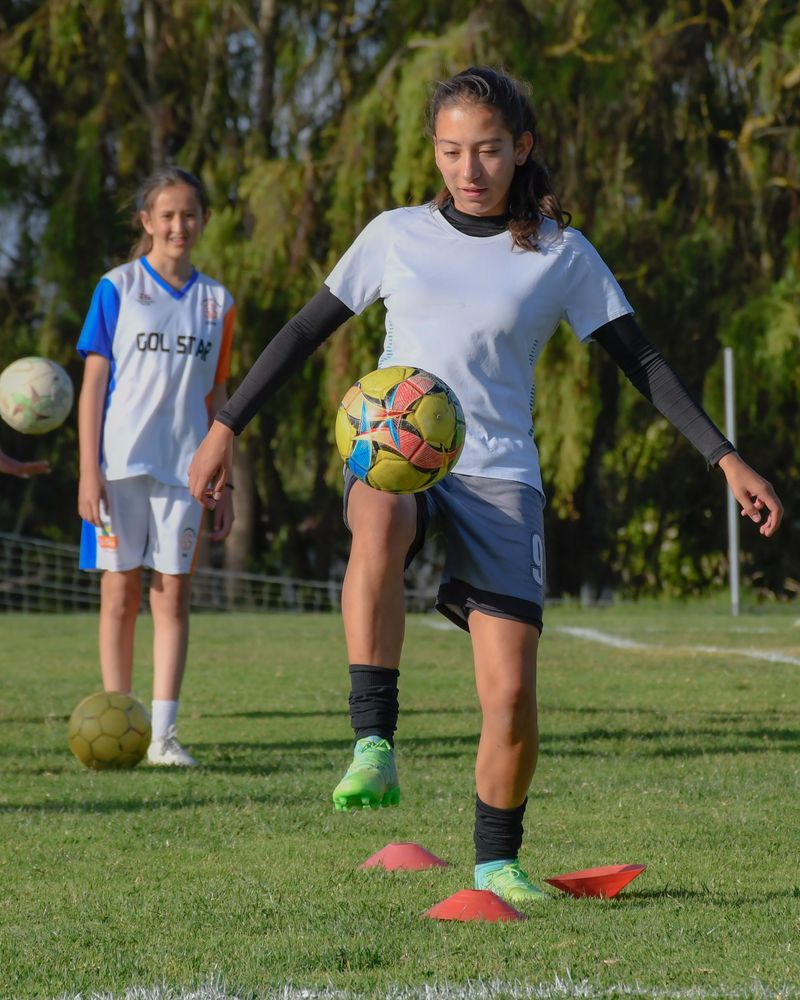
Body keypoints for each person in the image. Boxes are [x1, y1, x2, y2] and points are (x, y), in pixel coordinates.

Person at [187, 68, 782, 899]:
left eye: (489, 150)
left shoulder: (559, 253)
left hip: (501, 474)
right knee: (382, 519)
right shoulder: (394, 235)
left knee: (510, 694)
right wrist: (224, 430)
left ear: (521, 148)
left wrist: (726, 457)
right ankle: (374, 743)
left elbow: (641, 362)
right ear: (434, 150)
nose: (470, 169)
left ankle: (498, 864)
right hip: (396, 455)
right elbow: (301, 333)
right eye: (452, 151)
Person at [77, 166, 236, 766]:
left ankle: (163, 738)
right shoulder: (115, 287)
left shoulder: (218, 303)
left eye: (189, 214)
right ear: (146, 222)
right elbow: (94, 386)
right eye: (166, 215)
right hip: (118, 469)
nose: (179, 225)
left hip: (188, 473)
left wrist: (228, 478)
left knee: (172, 597)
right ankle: (117, 722)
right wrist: (88, 470)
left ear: (203, 221)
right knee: (119, 594)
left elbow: (220, 398)